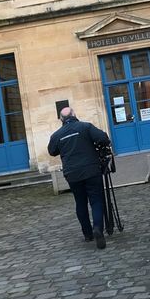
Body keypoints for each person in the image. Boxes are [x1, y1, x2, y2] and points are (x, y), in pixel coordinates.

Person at [48, 107, 110, 249]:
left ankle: (87, 234)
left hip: (72, 173)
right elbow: (103, 138)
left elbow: (52, 151)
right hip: (91, 170)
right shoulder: (85, 127)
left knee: (80, 202)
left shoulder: (57, 135)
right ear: (74, 114)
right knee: (96, 200)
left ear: (61, 119)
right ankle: (98, 228)